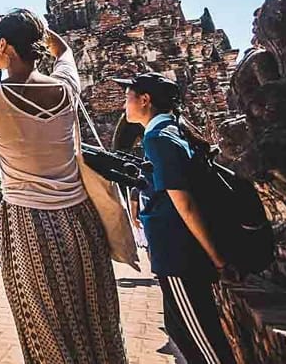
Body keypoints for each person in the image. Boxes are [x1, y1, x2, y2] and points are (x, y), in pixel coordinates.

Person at [0, 9, 127, 363]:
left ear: (2, 45)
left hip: (29, 226)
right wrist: (39, 29)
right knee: (97, 320)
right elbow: (64, 52)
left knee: (46, 326)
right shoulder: (66, 89)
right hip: (81, 222)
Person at [118, 72, 236, 364]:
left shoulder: (159, 138)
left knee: (201, 343)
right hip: (179, 255)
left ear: (145, 100)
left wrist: (216, 257)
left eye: (127, 96)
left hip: (180, 257)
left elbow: (185, 205)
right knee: (184, 332)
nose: (124, 104)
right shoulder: (170, 132)